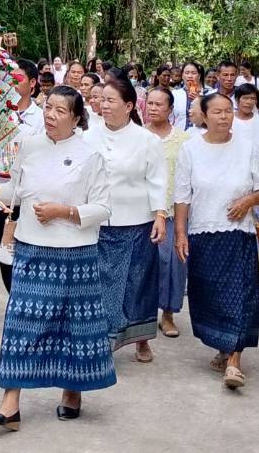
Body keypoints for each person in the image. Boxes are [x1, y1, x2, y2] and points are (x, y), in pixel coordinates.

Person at [0, 85, 112, 430]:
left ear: (77, 118)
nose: (50, 115)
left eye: (61, 110)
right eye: (48, 107)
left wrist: (65, 211)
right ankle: (10, 404)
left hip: (76, 255)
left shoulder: (90, 153)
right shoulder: (30, 145)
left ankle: (72, 389)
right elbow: (14, 193)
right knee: (21, 324)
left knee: (74, 327)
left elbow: (103, 208)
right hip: (31, 248)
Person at [174, 92, 259, 390]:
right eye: (216, 112)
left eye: (227, 111)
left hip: (239, 236)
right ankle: (222, 348)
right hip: (203, 234)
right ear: (203, 116)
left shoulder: (246, 149)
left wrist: (248, 200)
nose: (223, 117)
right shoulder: (190, 149)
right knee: (208, 296)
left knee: (240, 295)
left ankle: (234, 361)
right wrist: (180, 233)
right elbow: (181, 196)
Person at [92, 76, 167, 363]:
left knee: (138, 283)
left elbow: (158, 180)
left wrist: (160, 215)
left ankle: (141, 339)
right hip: (98, 222)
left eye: (111, 101)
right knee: (102, 283)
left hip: (137, 222)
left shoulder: (147, 140)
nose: (104, 105)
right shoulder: (88, 135)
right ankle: (107, 337)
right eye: (102, 100)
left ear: (129, 106)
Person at [143, 85, 188, 338]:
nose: (154, 108)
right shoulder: (138, 136)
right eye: (150, 103)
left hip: (173, 210)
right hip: (142, 211)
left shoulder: (183, 140)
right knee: (147, 264)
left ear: (170, 109)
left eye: (159, 104)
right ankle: (143, 315)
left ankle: (168, 314)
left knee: (174, 263)